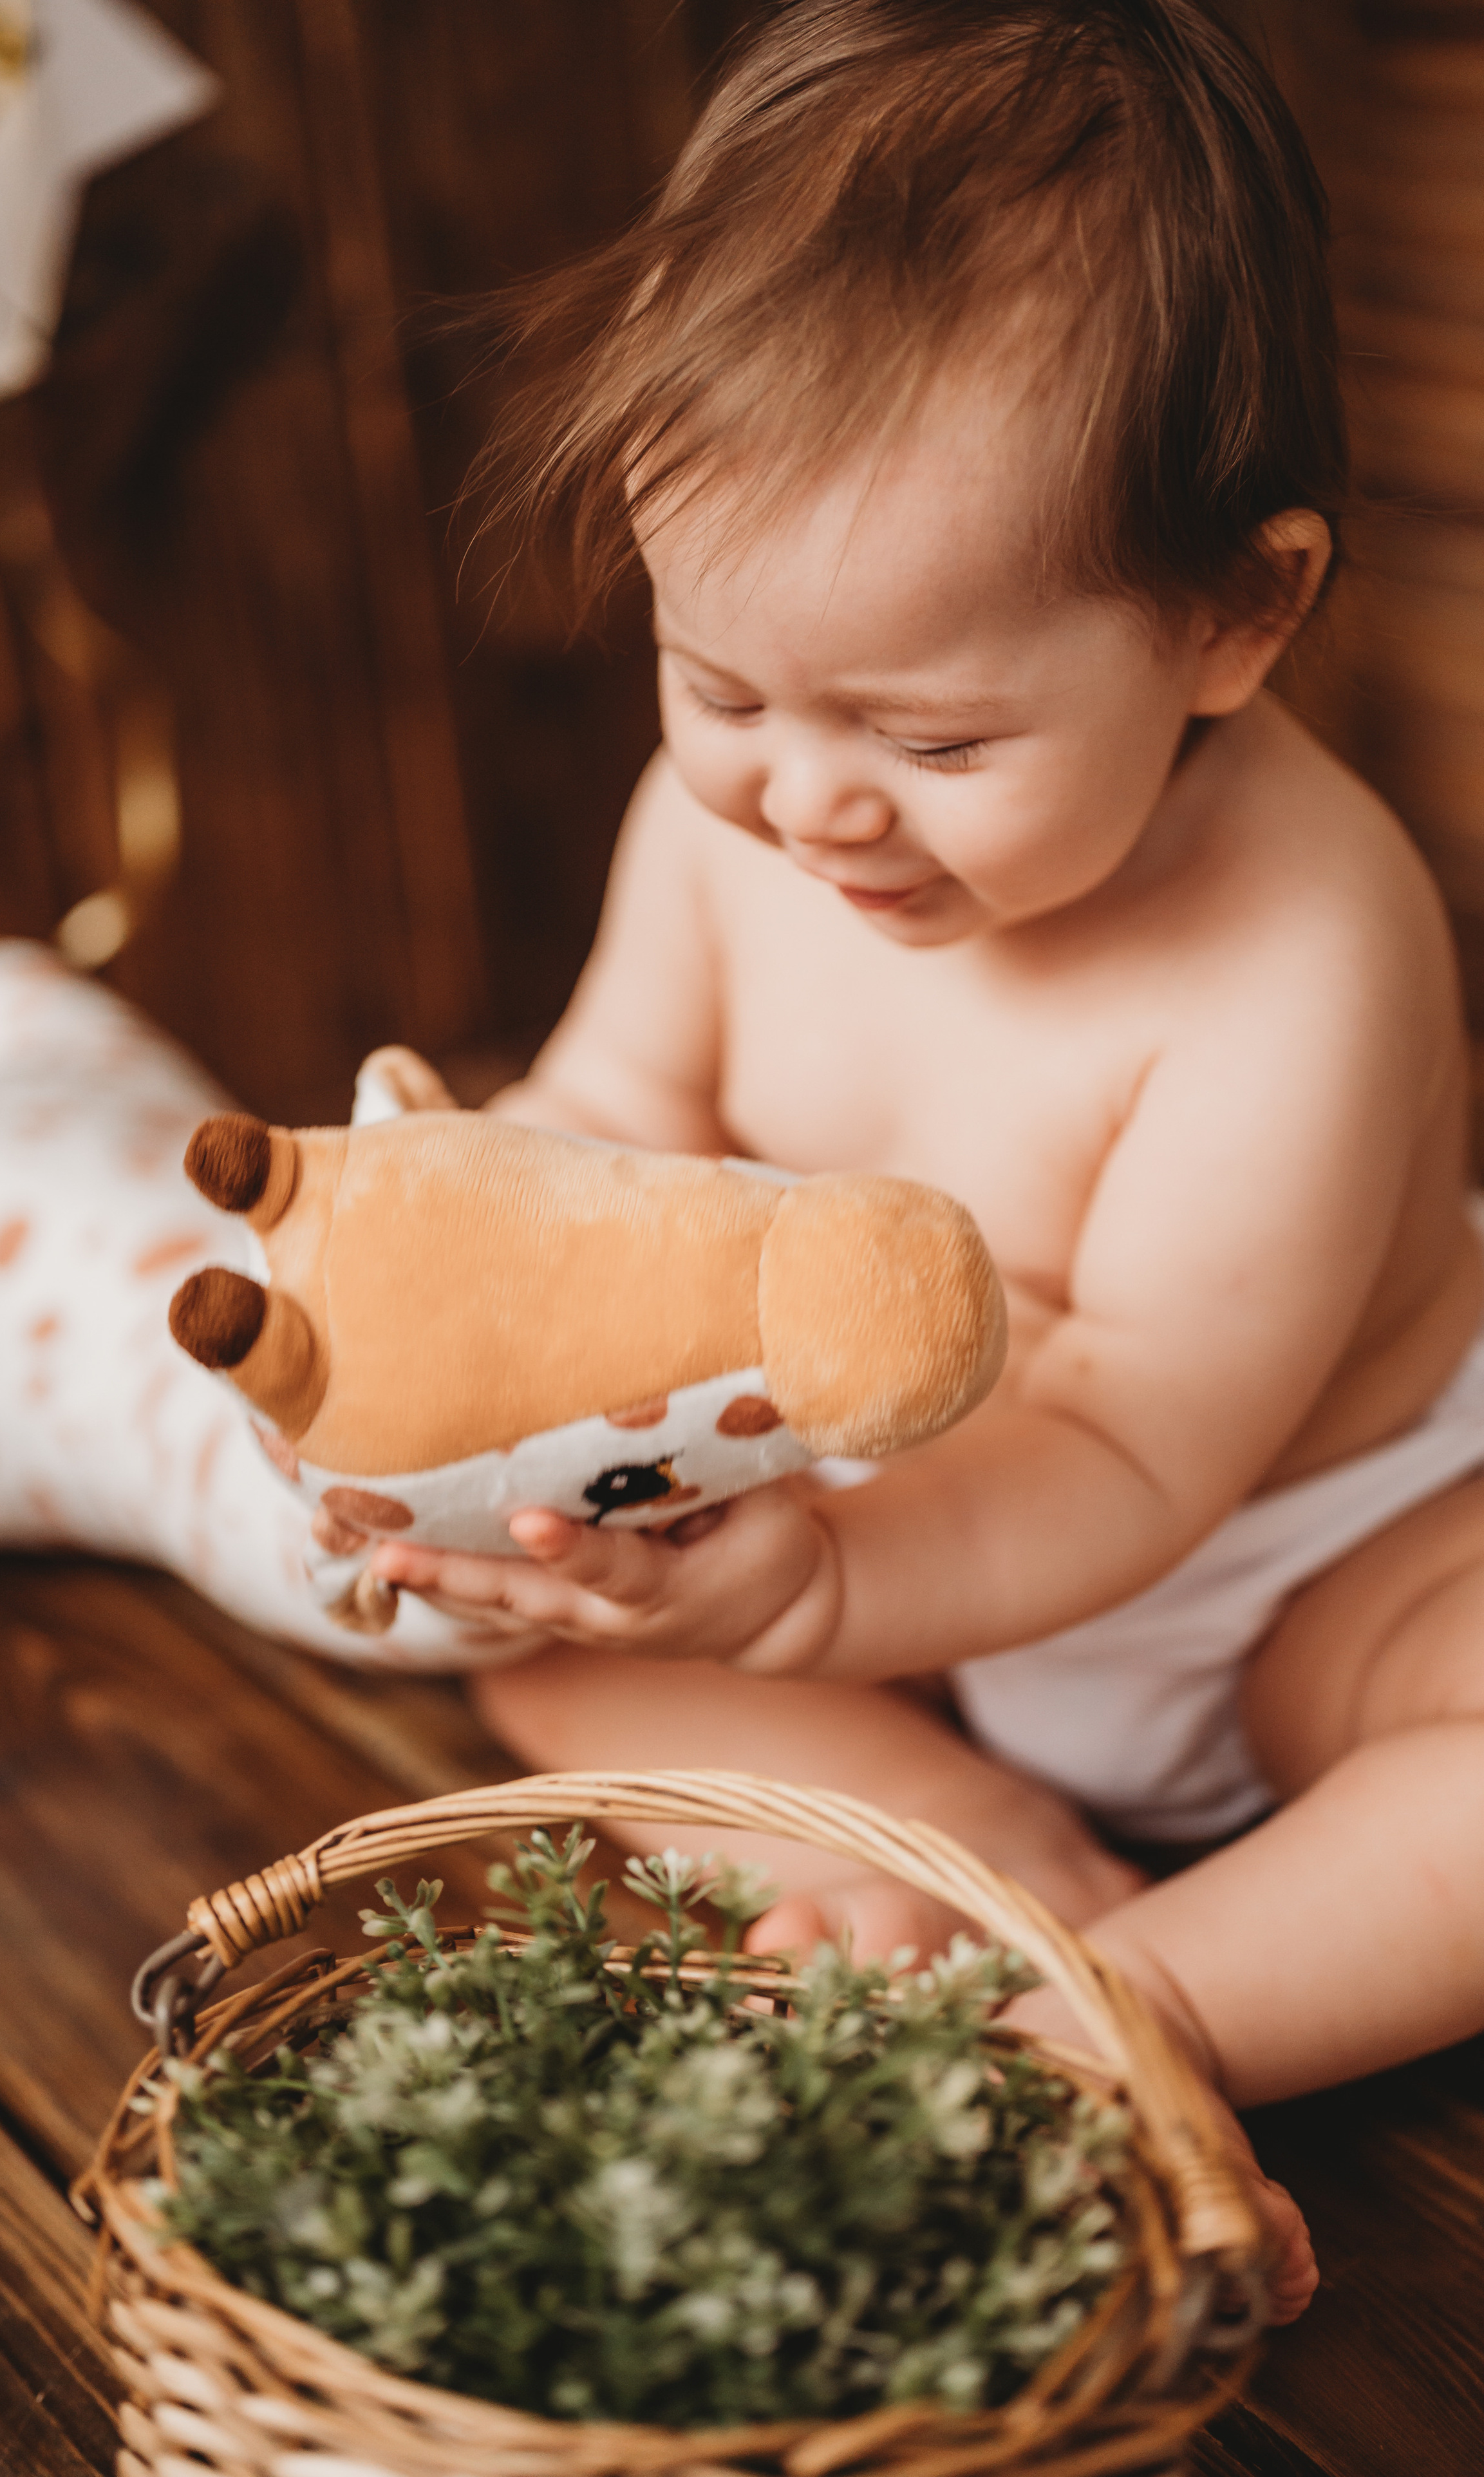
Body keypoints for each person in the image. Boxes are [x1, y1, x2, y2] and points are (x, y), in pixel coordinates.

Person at [361, 0, 1483, 2316]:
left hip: (1308, 1569)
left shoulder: (1307, 955)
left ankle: (1132, 2013)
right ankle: (967, 1844)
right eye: (723, 685)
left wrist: (818, 1600)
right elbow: (613, 1126)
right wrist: (464, 1326)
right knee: (543, 1658)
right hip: (882, 1589)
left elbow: (1139, 1438)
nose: (809, 801)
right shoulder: (733, 829)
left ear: (1240, 613)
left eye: (939, 737)